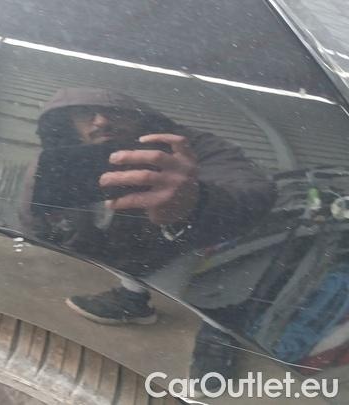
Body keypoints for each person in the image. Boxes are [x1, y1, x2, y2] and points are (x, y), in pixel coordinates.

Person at [23, 88, 276, 325]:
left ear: (140, 117)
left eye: (115, 111)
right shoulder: (56, 161)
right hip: (61, 281)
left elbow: (253, 194)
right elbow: (32, 225)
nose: (100, 121)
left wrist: (196, 202)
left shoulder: (190, 147)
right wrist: (39, 262)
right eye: (84, 113)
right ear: (69, 122)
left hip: (164, 292)